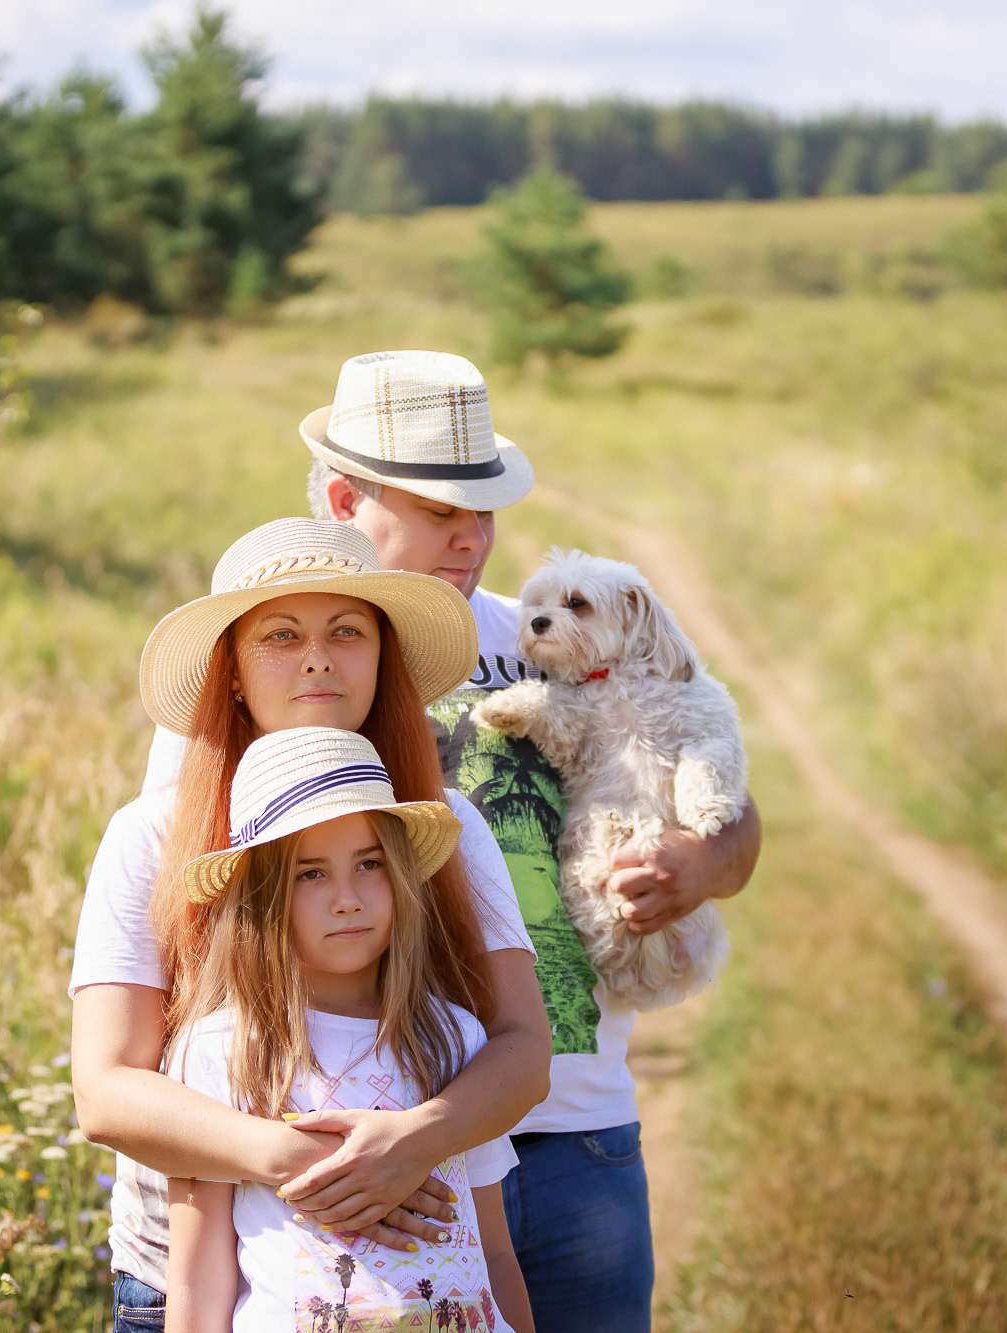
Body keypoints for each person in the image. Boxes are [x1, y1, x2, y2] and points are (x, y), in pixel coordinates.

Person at [143, 351, 762, 1332]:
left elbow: (717, 783)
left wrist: (701, 863)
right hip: (351, 1141)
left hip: (571, 1126)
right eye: (441, 512)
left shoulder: (550, 634)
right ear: (346, 498)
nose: (474, 537)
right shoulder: (261, 673)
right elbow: (184, 896)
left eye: (484, 511)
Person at [72, 518, 553, 1332]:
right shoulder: (153, 834)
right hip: (188, 1283)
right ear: (230, 671)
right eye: (281, 635)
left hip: (426, 1280)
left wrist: (416, 1141)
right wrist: (306, 1161)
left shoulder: (444, 824)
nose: (319, 657)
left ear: (381, 656)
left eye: (348, 632)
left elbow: (521, 1045)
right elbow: (106, 1091)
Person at [160, 727, 535, 1333]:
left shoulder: (456, 1040)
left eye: (369, 864)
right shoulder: (221, 1052)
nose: (347, 899)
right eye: (310, 874)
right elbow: (198, 1277)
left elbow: (492, 1248)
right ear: (261, 895)